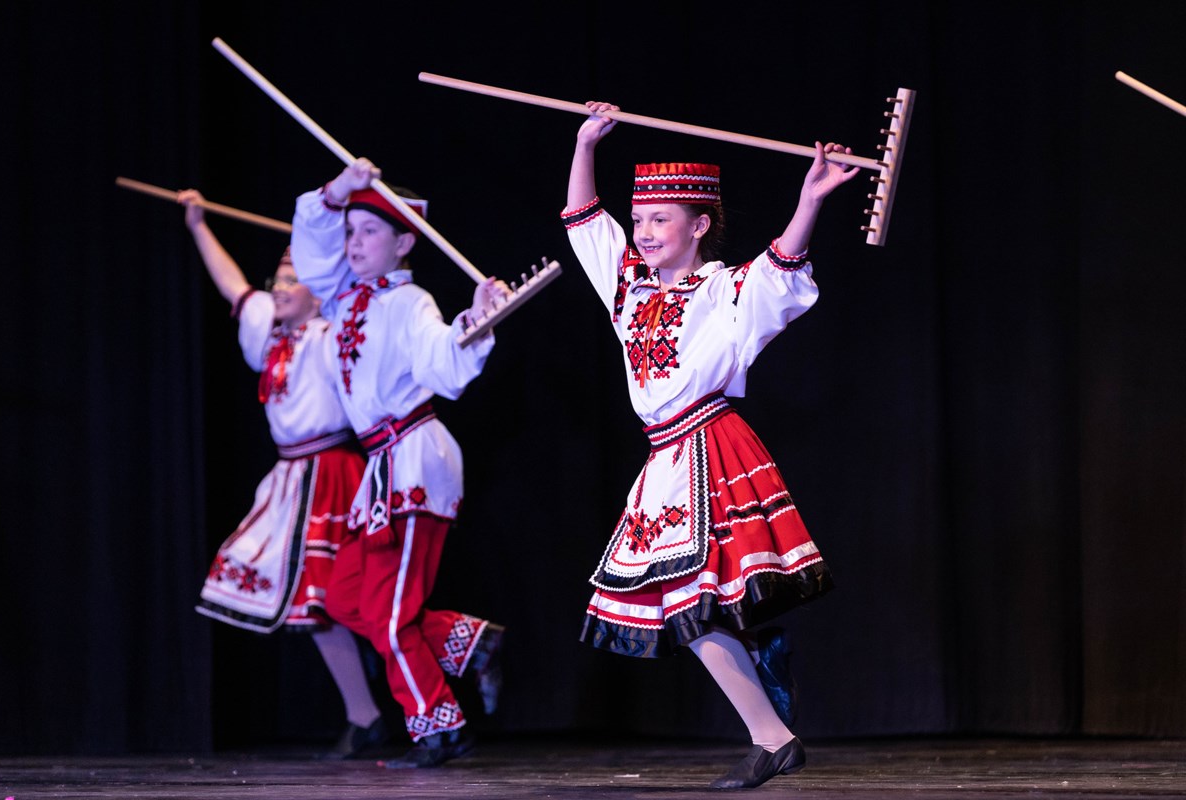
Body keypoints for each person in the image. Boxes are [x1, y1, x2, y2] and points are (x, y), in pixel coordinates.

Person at [560, 103, 858, 790]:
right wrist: (584, 144)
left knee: (695, 601)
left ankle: (772, 733)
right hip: (665, 458)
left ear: (699, 226)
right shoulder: (628, 289)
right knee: (685, 607)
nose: (644, 231)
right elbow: (584, 224)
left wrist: (808, 200)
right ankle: (771, 731)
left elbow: (782, 268)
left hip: (708, 443)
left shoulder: (722, 290)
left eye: (660, 219)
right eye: (639, 220)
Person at [289, 161, 508, 768]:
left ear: (405, 242)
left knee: (388, 616)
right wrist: (334, 191)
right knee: (342, 598)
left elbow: (444, 361)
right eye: (350, 231)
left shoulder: (411, 302)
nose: (353, 243)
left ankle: (439, 727)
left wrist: (474, 320)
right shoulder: (343, 295)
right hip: (381, 469)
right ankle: (466, 641)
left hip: (413, 460)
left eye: (368, 232)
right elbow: (310, 250)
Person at [180, 190, 388, 759]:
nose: (277, 285)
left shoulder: (330, 336)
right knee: (316, 605)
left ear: (319, 289)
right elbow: (233, 286)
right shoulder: (268, 335)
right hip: (292, 477)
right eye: (277, 275)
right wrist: (199, 224)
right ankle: (367, 713)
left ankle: (405, 686)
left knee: (338, 600)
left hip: (334, 473)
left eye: (291, 277)